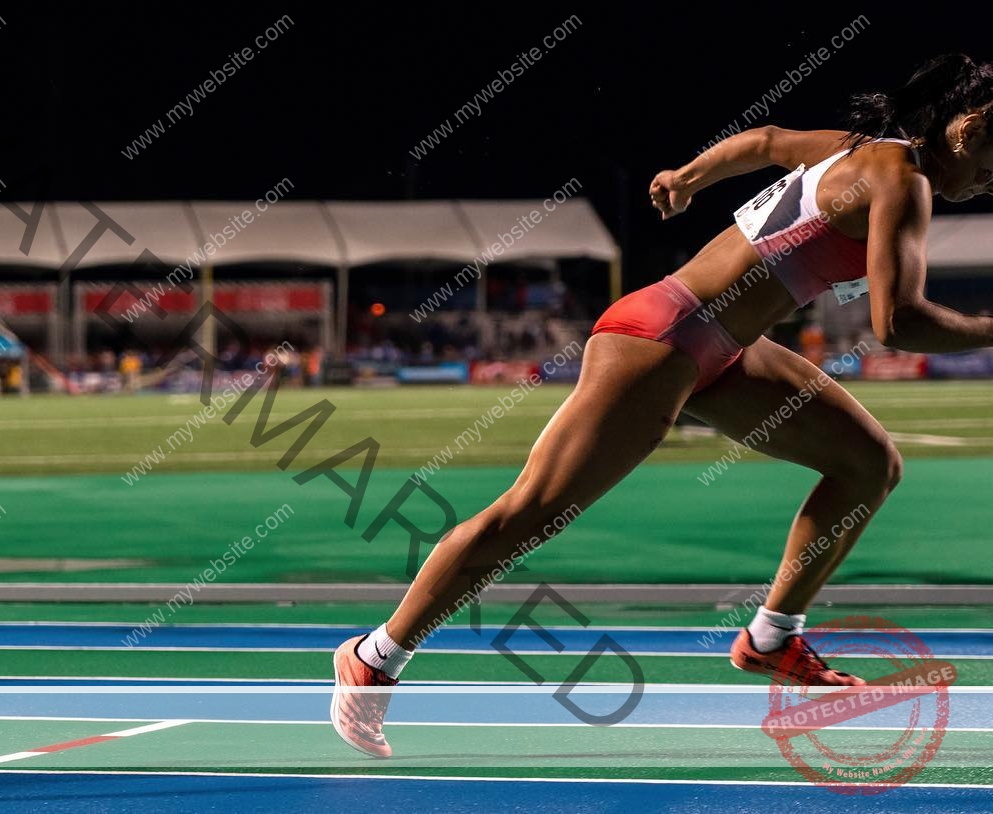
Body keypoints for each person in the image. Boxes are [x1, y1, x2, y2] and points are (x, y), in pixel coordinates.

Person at [332, 54, 993, 758]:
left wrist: (688, 176)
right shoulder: (903, 180)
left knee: (867, 464)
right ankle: (374, 656)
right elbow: (898, 322)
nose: (988, 181)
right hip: (661, 339)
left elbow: (766, 140)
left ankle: (771, 638)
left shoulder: (860, 152)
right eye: (990, 160)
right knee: (525, 515)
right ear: (967, 126)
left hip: (727, 349)